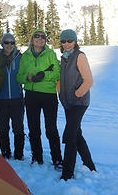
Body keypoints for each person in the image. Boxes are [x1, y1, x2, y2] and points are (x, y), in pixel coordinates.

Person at [16, 28, 62, 169]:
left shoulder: (50, 54)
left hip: (49, 95)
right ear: (32, 39)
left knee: (51, 128)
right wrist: (28, 78)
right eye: (37, 36)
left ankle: (57, 159)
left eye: (43, 37)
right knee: (33, 128)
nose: (40, 38)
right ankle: (37, 157)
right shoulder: (25, 56)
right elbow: (19, 77)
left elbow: (57, 73)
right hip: (31, 95)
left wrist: (43, 75)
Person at [58, 29, 96, 181]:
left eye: (70, 41)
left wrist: (76, 94)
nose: (66, 44)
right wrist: (61, 95)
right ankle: (90, 165)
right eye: (63, 41)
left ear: (75, 42)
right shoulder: (64, 58)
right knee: (77, 134)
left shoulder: (79, 56)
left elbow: (89, 81)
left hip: (79, 103)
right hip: (68, 103)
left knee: (69, 136)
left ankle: (67, 174)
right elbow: (60, 80)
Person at [0, 33, 25, 160]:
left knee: (18, 128)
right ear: (2, 44)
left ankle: (19, 154)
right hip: (0, 98)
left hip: (17, 98)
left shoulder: (20, 57)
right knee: (3, 128)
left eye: (12, 43)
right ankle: (5, 153)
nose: (9, 45)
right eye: (6, 42)